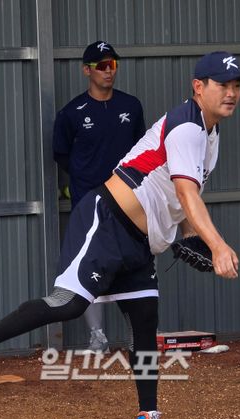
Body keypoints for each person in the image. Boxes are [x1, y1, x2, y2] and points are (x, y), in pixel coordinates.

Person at [0, 51, 240, 419]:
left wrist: (187, 233)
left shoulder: (209, 133)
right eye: (223, 84)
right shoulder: (187, 127)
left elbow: (180, 195)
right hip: (106, 221)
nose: (231, 93)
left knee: (145, 319)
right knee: (68, 304)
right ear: (198, 87)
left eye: (236, 86)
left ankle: (148, 414)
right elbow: (186, 193)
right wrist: (217, 244)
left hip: (140, 241)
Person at [53, 40, 146, 354]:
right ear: (87, 70)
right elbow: (61, 154)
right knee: (89, 265)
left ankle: (138, 337)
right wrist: (83, 180)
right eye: (102, 66)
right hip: (88, 201)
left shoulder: (131, 106)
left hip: (128, 201)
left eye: (113, 65)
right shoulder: (72, 113)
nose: (109, 71)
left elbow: (142, 150)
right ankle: (97, 337)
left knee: (132, 264)